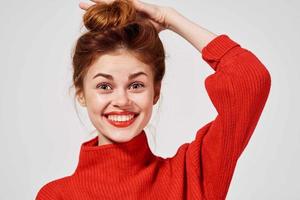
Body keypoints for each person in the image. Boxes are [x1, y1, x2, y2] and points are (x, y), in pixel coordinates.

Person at [36, 0, 271, 199]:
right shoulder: (56, 195)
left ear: (155, 91)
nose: (121, 99)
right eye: (104, 86)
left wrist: (169, 18)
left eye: (136, 85)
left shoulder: (189, 178)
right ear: (81, 93)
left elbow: (250, 80)